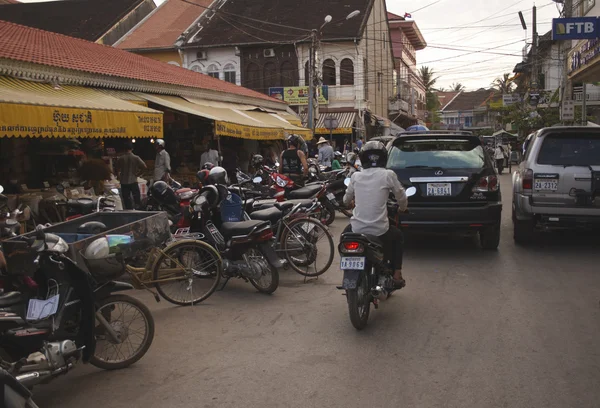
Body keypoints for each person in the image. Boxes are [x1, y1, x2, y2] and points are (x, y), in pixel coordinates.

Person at [343, 141, 408, 289]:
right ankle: (397, 274)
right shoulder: (388, 175)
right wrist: (403, 208)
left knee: (344, 239)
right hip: (380, 230)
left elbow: (346, 200)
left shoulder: (355, 176)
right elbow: (401, 196)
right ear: (384, 158)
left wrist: (349, 203)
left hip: (356, 229)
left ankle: (348, 268)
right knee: (398, 236)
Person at [116, 140, 147, 210]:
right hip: (133, 180)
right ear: (132, 149)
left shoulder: (121, 158)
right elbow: (144, 167)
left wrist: (118, 176)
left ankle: (129, 211)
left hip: (124, 181)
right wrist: (138, 174)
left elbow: (117, 169)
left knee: (126, 199)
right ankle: (138, 210)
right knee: (136, 198)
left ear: (124, 149)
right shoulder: (136, 158)